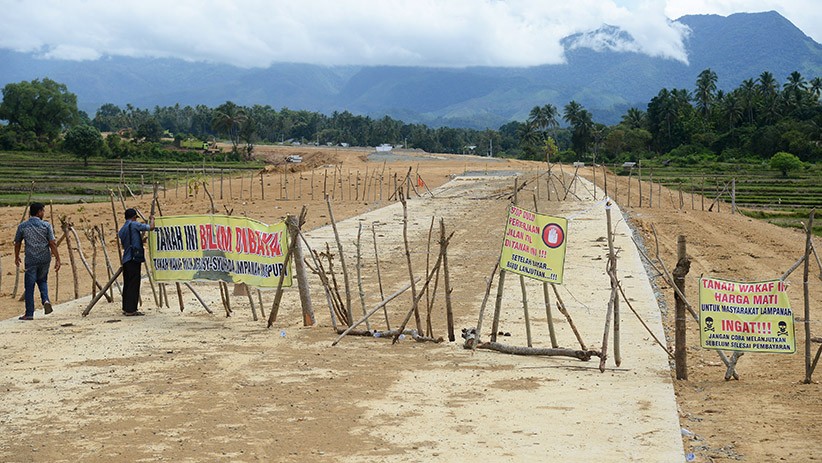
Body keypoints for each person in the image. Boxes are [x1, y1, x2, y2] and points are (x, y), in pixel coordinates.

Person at [14, 202, 61, 320]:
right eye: (43, 211)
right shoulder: (46, 225)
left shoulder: (23, 226)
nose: (44, 213)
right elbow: (52, 243)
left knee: (29, 287)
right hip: (45, 258)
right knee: (42, 280)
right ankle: (45, 300)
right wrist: (57, 258)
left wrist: (16, 256)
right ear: (39, 212)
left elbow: (17, 243)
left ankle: (29, 313)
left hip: (31, 259)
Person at [118, 208, 155, 316]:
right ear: (134, 217)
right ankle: (131, 310)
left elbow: (125, 243)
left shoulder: (122, 229)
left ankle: (126, 308)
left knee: (127, 284)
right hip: (134, 259)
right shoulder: (134, 225)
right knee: (134, 285)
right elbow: (151, 227)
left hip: (126, 259)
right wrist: (152, 219)